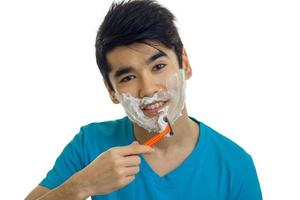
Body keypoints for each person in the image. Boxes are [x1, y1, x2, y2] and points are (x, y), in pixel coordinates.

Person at [25, 0, 262, 199]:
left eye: (158, 66)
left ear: (185, 64)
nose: (148, 89)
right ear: (111, 90)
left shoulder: (235, 165)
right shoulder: (90, 144)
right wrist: (81, 186)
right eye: (128, 77)